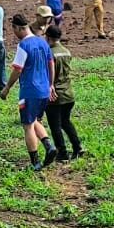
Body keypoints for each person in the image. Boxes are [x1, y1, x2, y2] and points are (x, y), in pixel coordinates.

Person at [0, 14, 59, 170]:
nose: (14, 34)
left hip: (29, 91)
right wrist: (51, 84)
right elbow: (51, 64)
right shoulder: (43, 42)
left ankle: (35, 162)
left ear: (19, 28)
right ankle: (49, 146)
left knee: (27, 126)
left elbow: (17, 70)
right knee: (35, 121)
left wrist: (6, 88)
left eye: (14, 30)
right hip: (44, 90)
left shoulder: (23, 46)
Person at [44, 25, 83, 161]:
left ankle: (62, 153)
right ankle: (78, 147)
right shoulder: (66, 51)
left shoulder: (49, 53)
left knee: (55, 125)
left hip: (55, 95)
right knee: (66, 122)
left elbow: (48, 74)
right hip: (68, 93)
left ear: (47, 37)